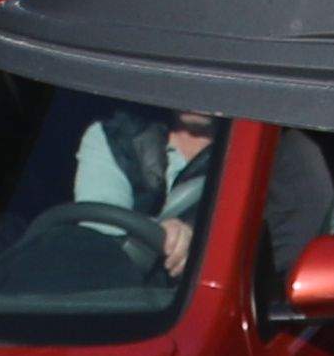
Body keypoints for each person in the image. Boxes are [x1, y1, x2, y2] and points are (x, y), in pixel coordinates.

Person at [69, 101, 225, 276]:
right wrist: (161, 234)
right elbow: (100, 230)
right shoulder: (117, 136)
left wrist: (196, 233)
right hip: (117, 291)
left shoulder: (249, 159)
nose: (200, 90)